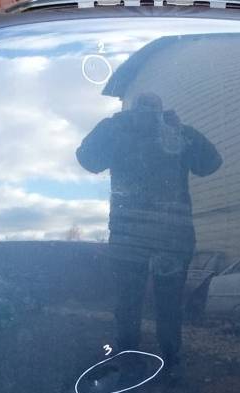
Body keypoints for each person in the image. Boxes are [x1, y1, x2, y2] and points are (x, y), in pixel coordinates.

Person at [76, 92, 222, 369]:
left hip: (156, 237)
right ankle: (153, 362)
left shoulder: (171, 134)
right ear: (133, 112)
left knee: (149, 304)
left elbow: (211, 164)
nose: (146, 115)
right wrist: (111, 125)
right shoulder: (121, 132)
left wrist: (182, 131)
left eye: (151, 109)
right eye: (142, 109)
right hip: (149, 237)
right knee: (143, 303)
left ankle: (156, 362)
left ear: (159, 112)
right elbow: (88, 159)